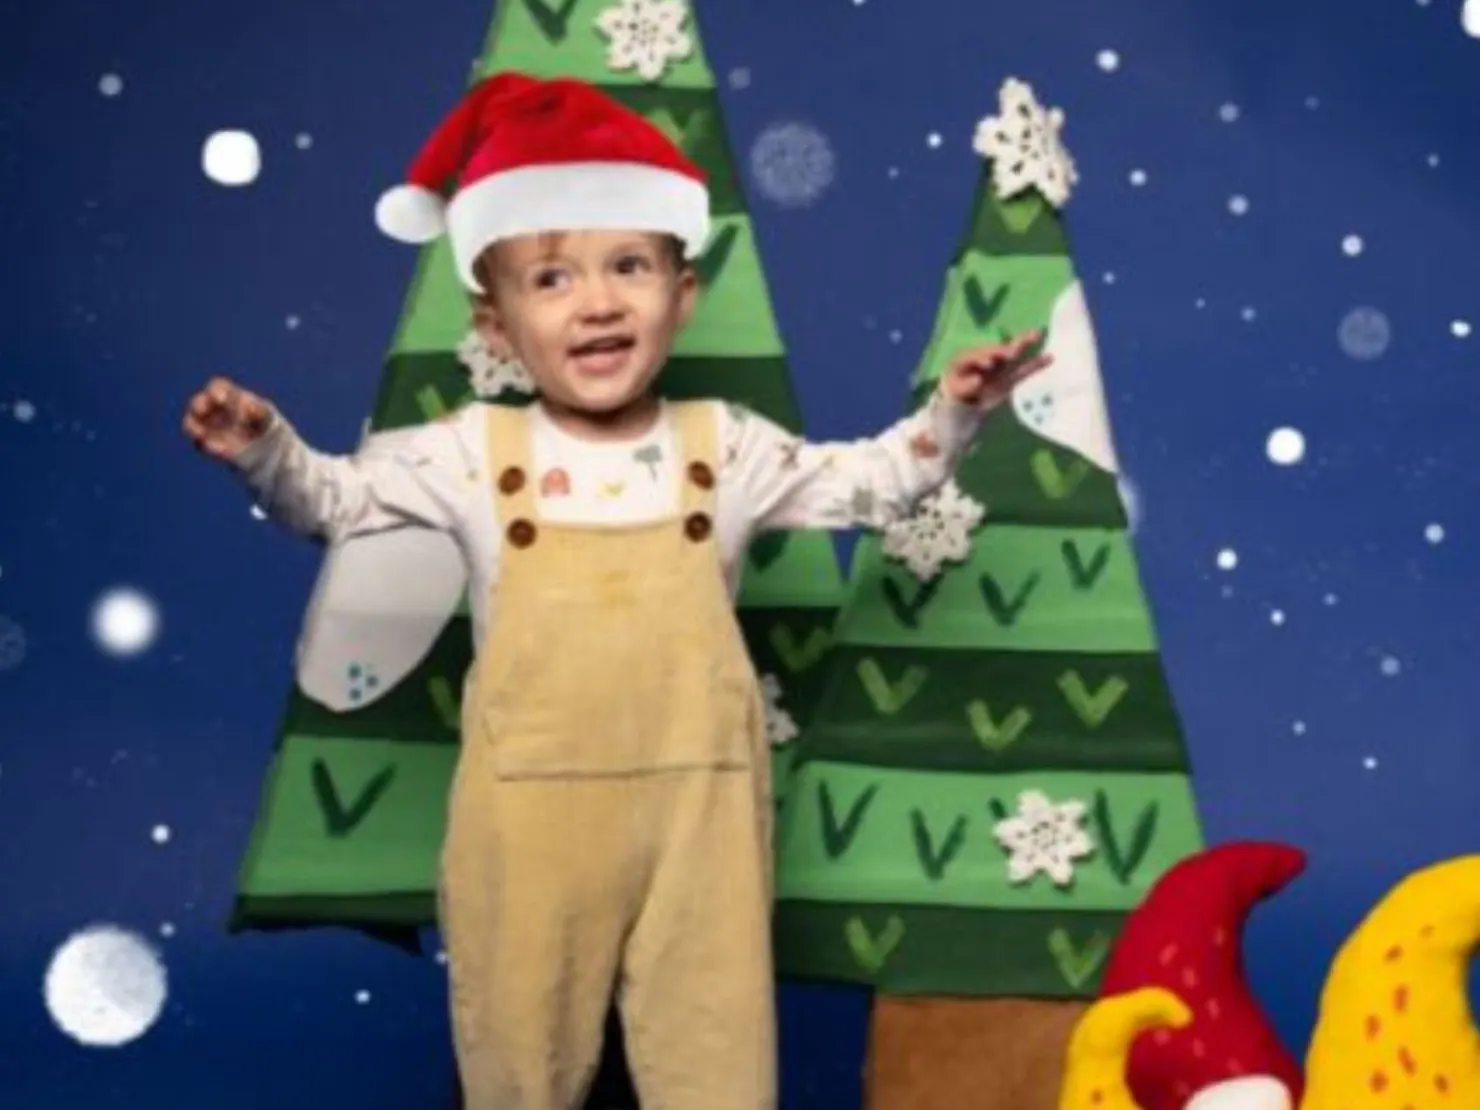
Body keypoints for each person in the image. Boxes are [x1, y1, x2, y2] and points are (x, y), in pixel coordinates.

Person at [182, 71, 1050, 1110]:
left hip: (699, 823)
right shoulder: (471, 450)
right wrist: (266, 450)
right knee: (520, 1048)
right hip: (528, 826)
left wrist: (955, 414)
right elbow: (336, 503)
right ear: (495, 327)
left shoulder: (724, 446)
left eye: (630, 266)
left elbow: (870, 482)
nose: (597, 302)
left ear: (681, 296)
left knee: (712, 1046)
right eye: (550, 278)